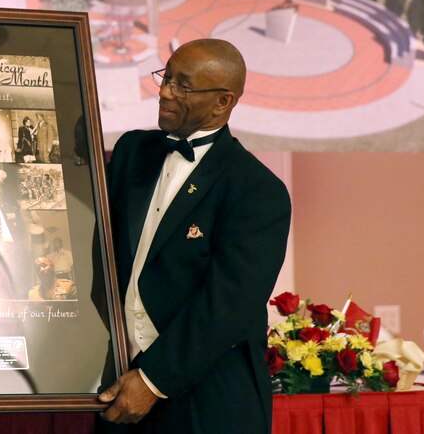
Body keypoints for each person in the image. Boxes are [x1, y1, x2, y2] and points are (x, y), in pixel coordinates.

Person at [99, 38, 291, 433]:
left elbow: (227, 304)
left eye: (182, 85)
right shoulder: (133, 150)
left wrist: (153, 380)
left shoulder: (257, 189)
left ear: (223, 101)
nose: (165, 91)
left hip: (208, 401)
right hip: (119, 388)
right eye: (165, 77)